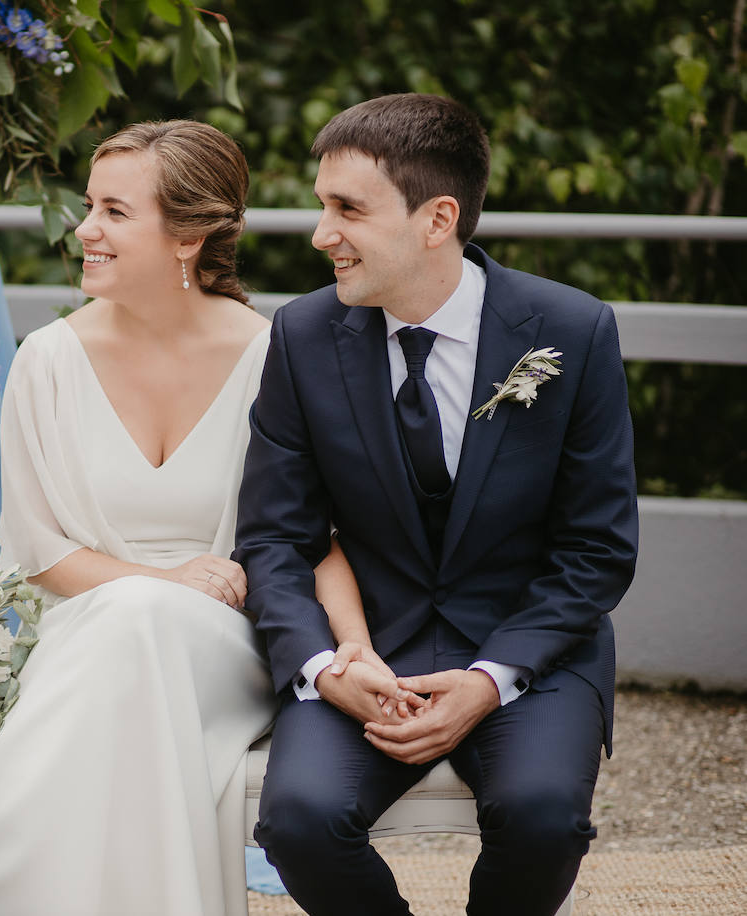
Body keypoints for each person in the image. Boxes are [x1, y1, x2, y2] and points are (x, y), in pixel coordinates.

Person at [0, 120, 407, 916]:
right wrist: (157, 579)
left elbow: (319, 539)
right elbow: (38, 553)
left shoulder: (278, 354)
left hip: (230, 644)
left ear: (188, 238)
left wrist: (350, 648)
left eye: (113, 211)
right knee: (134, 614)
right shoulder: (46, 359)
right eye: (89, 207)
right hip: (81, 629)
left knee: (143, 620)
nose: (86, 230)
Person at [235, 93, 639, 915]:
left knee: (542, 818)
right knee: (299, 821)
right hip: (366, 657)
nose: (322, 234)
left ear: (437, 218)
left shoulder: (571, 329)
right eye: (322, 206)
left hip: (528, 654)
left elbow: (596, 550)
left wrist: (491, 680)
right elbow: (275, 538)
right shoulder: (303, 336)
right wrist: (325, 667)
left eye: (347, 208)